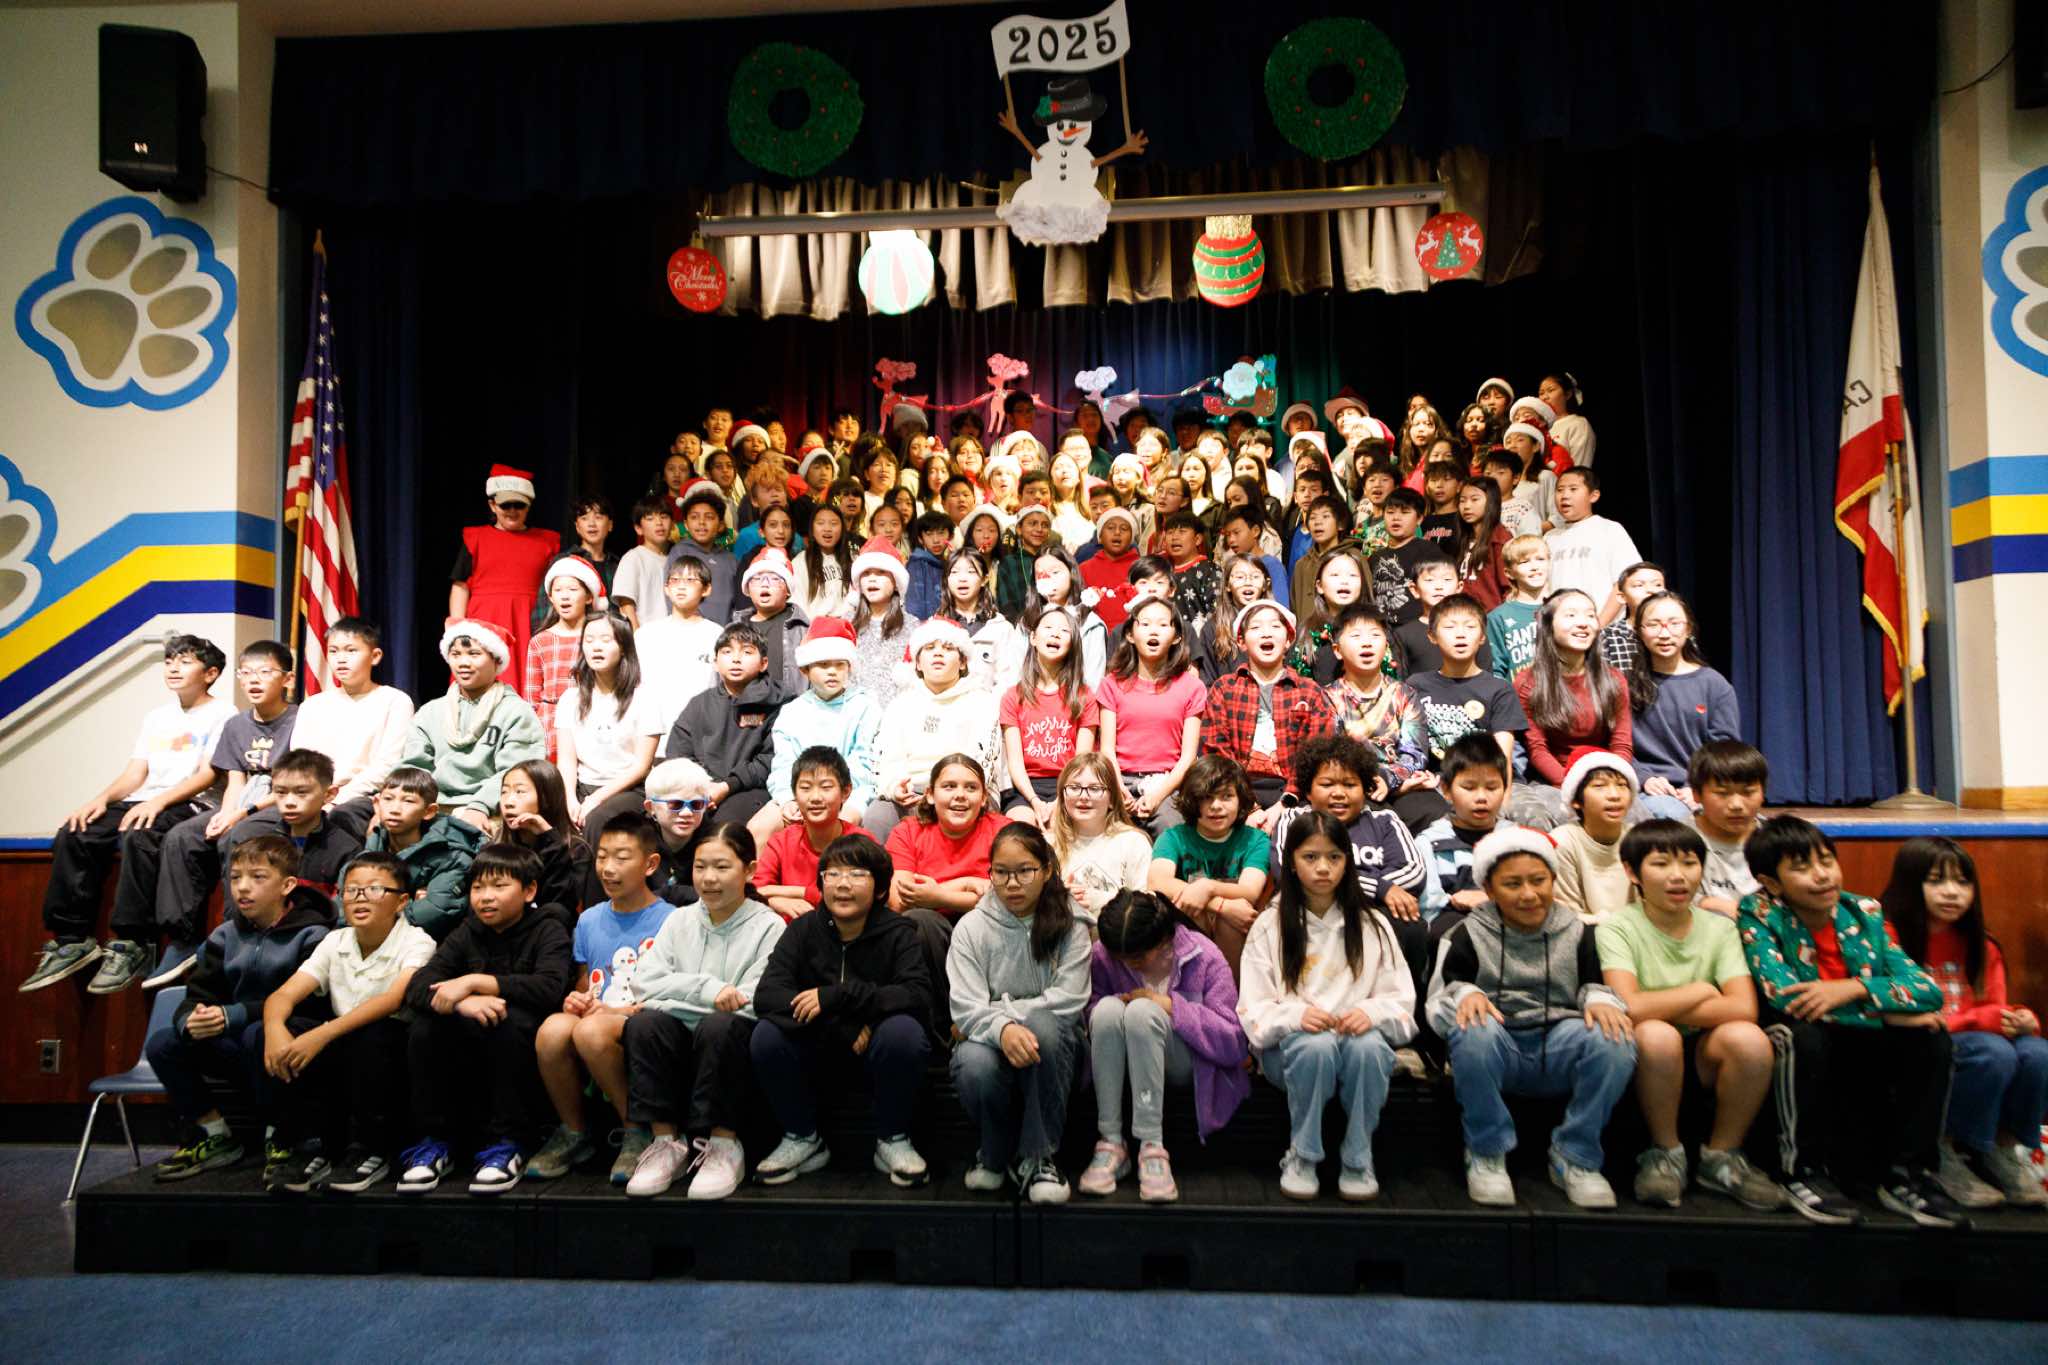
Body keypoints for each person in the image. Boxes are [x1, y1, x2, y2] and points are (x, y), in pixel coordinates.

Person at [1736, 816, 1965, 1227]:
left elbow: (1927, 990)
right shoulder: (1759, 912)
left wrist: (1855, 989)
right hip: (1801, 1033)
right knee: (1803, 1037)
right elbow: (1786, 995)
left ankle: (1907, 1174)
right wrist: (1885, 1011)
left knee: (1932, 1038)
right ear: (1771, 882)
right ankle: (1799, 1170)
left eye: (1827, 861)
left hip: (1857, 1030)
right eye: (1802, 867)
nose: (1822, 875)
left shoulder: (1864, 911)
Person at [1428, 827, 1637, 1209]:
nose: (1528, 894)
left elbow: (1593, 985)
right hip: (1499, 1043)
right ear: (1490, 890)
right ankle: (1486, 1152)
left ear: (1553, 880)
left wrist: (1600, 1000)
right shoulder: (1465, 934)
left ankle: (1576, 1155)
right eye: (1513, 884)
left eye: (1538, 881)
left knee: (1614, 1036)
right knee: (1473, 1029)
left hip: (1559, 1040)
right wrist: (1466, 995)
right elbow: (1438, 1002)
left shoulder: (1578, 930)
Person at [23, 634, 234, 994]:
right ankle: (72, 939)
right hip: (147, 798)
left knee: (141, 833)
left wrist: (159, 802)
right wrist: (100, 799)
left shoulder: (223, 713)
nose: (174, 668)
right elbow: (136, 773)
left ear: (210, 674)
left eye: (185, 662)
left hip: (192, 802)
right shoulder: (157, 717)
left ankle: (131, 942)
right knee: (77, 830)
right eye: (169, 661)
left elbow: (207, 775)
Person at [1597, 820, 1786, 1210]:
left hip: (1704, 1049)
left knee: (1749, 1039)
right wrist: (1699, 991)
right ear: (1632, 872)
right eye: (1661, 864)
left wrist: (1661, 1003)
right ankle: (1665, 1154)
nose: (1678, 876)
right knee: (1656, 1034)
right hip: (1646, 1050)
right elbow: (1629, 1007)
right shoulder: (1617, 927)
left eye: (1689, 863)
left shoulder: (1720, 929)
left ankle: (1722, 1158)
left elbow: (1743, 1008)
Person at [1238, 812, 1413, 1201]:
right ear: (1291, 862)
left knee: (1370, 1047)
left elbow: (1400, 999)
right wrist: (1294, 1016)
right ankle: (1303, 1154)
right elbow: (1253, 1008)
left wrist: (1372, 1013)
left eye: (1334, 857)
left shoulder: (1372, 924)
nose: (1323, 868)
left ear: (1347, 862)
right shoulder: (1270, 924)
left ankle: (1358, 1154)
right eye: (1310, 857)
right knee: (1315, 1047)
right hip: (1291, 1051)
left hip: (1354, 1044)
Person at [750, 834, 934, 1188]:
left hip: (877, 1051)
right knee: (767, 1034)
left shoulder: (899, 932)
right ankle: (802, 1137)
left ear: (880, 889)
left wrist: (837, 997)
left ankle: (893, 1138)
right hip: (818, 1048)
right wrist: (840, 1025)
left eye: (857, 874)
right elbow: (768, 995)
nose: (843, 884)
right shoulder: (803, 929)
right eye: (832, 874)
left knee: (904, 1032)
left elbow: (916, 994)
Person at [145, 834, 332, 1183]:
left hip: (294, 1039)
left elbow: (310, 1003)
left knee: (257, 1035)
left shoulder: (314, 934)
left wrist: (234, 1015)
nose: (243, 887)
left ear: (287, 885)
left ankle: (282, 1136)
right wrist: (192, 1019)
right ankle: (214, 1133)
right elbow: (198, 993)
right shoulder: (224, 935)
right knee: (164, 1043)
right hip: (237, 1038)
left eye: (258, 877)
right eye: (235, 878)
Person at [619, 824, 788, 1199]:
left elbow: (753, 1000)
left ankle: (724, 1145)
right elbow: (644, 982)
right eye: (700, 867)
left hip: (733, 1040)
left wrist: (677, 999)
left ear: (749, 870)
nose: (709, 878)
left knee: (721, 1025)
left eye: (722, 867)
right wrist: (710, 991)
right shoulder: (679, 920)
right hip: (681, 1036)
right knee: (645, 1023)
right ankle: (666, 1143)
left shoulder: (769, 926)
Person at [1883, 837, 2048, 1208]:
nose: (1952, 892)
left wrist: (2022, 1020)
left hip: (1977, 1041)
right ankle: (1944, 1150)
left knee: (2038, 1053)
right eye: (1936, 881)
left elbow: (1995, 1009)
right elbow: (1896, 1008)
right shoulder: (1888, 939)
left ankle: (2001, 1150)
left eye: (1962, 882)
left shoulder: (1981, 945)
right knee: (1993, 1053)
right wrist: (1982, 1020)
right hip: (1919, 1044)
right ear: (1910, 884)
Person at [260, 850, 437, 1193]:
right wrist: (274, 1030)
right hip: (342, 1038)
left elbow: (392, 1000)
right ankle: (314, 1146)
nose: (360, 898)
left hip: (393, 1047)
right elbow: (283, 996)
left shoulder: (418, 941)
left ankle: (371, 1150)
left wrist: (322, 1034)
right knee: (289, 1032)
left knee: (372, 1035)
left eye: (374, 889)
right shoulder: (335, 940)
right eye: (352, 890)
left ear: (401, 901)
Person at [529, 813, 679, 1184]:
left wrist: (615, 1010)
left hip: (647, 1018)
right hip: (600, 1013)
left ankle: (636, 1130)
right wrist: (577, 1001)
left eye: (622, 858)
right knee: (552, 1030)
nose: (608, 868)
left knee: (590, 1032)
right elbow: (587, 983)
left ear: (650, 864)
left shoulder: (673, 919)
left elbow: (675, 992)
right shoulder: (589, 920)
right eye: (602, 857)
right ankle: (574, 1131)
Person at [948, 825, 1091, 1203]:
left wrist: (1003, 1015)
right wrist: (1002, 1029)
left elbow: (1068, 999)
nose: (1012, 883)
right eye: (1001, 872)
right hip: (990, 1041)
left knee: (1044, 1025)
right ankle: (995, 1153)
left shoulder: (1071, 923)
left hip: (1058, 1045)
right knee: (974, 1062)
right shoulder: (971, 928)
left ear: (1046, 870)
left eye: (1025, 871)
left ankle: (1040, 1155)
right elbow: (965, 1007)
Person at [143, 640, 298, 989]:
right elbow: (235, 779)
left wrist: (239, 815)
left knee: (237, 836)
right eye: (247, 673)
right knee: (182, 836)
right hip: (244, 798)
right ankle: (182, 940)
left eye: (265, 672)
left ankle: (236, 930)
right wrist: (227, 812)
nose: (254, 680)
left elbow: (295, 784)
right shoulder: (237, 725)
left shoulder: (299, 720)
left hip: (279, 800)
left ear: (287, 679)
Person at [1081, 890, 1248, 1201]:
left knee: (1143, 1013)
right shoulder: (1104, 955)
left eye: (1137, 958)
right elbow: (1088, 1015)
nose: (1128, 964)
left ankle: (1152, 1146)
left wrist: (1171, 1007)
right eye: (1120, 958)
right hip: (1121, 1062)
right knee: (1105, 1010)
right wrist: (1116, 1004)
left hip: (1184, 1062)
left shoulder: (1204, 955)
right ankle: (1111, 1140)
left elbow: (1234, 1041)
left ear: (1163, 940)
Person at [886, 756, 1011, 1017]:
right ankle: (945, 1025)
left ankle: (992, 1015)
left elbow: (1015, 895)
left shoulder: (1003, 830)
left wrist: (939, 895)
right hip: (931, 936)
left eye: (971, 788)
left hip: (990, 931)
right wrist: (967, 884)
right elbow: (898, 900)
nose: (960, 795)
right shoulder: (908, 831)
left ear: (984, 798)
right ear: (930, 795)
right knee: (919, 921)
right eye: (949, 786)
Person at [866, 617, 1003, 843]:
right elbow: (887, 758)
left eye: (948, 648)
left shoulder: (982, 702)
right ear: (918, 664)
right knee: (877, 816)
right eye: (929, 648)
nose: (938, 653)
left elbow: (984, 762)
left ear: (963, 662)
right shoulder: (900, 704)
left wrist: (948, 793)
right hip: (911, 795)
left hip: (964, 794)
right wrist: (894, 787)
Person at [277, 616, 415, 837]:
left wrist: (336, 799)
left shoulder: (395, 701)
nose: (341, 659)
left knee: (337, 821)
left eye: (351, 651)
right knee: (252, 828)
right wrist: (314, 797)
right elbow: (301, 761)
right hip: (313, 795)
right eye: (333, 651)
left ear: (375, 656)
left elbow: (389, 765)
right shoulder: (312, 705)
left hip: (366, 796)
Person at [402, 620, 546, 829]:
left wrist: (480, 806)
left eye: (474, 654)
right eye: (456, 654)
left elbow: (518, 771)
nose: (463, 662)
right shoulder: (430, 712)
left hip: (491, 810)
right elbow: (413, 767)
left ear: (496, 660)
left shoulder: (516, 712)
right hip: (432, 807)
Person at [1199, 599, 1336, 818]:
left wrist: (1285, 804)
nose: (1266, 633)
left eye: (1275, 626)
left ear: (1289, 639)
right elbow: (1217, 753)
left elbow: (1316, 755)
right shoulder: (1223, 689)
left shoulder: (1309, 692)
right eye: (1256, 627)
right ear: (1241, 642)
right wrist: (1249, 807)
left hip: (1294, 794)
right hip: (1236, 792)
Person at [753, 617, 879, 849]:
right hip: (801, 792)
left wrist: (836, 795)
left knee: (841, 824)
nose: (832, 672)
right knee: (759, 828)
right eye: (823, 664)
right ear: (805, 670)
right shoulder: (792, 711)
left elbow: (864, 761)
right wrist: (788, 799)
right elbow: (784, 762)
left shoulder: (865, 706)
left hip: (848, 792)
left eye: (839, 664)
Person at [1514, 590, 1633, 825]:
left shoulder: (1614, 680)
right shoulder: (1528, 682)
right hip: (1553, 781)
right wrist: (1575, 787)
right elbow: (1537, 749)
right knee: (1565, 817)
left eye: (1590, 615)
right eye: (1571, 615)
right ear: (1548, 625)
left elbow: (1621, 744)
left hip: (1607, 777)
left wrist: (1610, 783)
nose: (1583, 623)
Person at [1148, 756, 1271, 975]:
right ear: (1192, 800)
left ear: (1241, 799)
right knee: (1194, 907)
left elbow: (1250, 891)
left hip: (1237, 930)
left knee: (1232, 917)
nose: (1216, 806)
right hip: (1189, 924)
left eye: (1226, 797)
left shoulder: (1255, 839)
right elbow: (1158, 882)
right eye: (1207, 797)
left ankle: (1230, 993)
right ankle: (1192, 989)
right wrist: (1220, 905)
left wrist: (1208, 887)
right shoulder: (1173, 837)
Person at [1097, 594, 1206, 836]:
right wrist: (1119, 789)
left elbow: (1188, 757)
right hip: (1119, 780)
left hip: (1169, 784)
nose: (1153, 630)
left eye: (1163, 624)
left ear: (1177, 636)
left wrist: (1158, 795)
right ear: (1130, 634)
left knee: (1171, 829)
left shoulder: (1192, 687)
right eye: (1145, 624)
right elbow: (1107, 750)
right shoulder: (1111, 684)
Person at [1325, 603, 1438, 832]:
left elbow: (1415, 753)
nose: (1367, 643)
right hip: (1353, 785)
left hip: (1399, 779)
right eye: (1356, 636)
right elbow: (1332, 755)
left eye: (1375, 635)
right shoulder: (1327, 697)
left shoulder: (1404, 694)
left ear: (1386, 646)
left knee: (1434, 812)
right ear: (1337, 650)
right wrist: (1373, 781)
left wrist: (1389, 780)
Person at [450, 465, 561, 697]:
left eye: (518, 505)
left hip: (529, 621)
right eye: (505, 505)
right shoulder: (475, 538)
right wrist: (458, 629)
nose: (512, 511)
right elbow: (460, 586)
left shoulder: (547, 542)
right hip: (484, 621)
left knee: (527, 681)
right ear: (492, 505)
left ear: (528, 505)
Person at [666, 623, 788, 831]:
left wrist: (726, 786)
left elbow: (772, 759)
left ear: (763, 663)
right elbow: (678, 753)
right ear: (715, 662)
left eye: (747, 652)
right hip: (700, 789)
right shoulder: (700, 703)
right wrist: (702, 786)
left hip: (751, 789)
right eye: (727, 651)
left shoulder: (778, 702)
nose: (736, 659)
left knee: (722, 827)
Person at [1629, 591, 1739, 820]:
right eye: (1654, 625)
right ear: (1639, 631)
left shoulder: (1713, 684)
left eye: (1674, 624)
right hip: (1650, 789)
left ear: (1688, 629)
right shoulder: (1626, 685)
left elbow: (1723, 749)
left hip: (1704, 786)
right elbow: (1617, 745)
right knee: (1673, 815)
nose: (1664, 633)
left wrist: (1697, 786)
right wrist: (1645, 778)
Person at [555, 612, 662, 841]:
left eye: (606, 640)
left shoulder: (644, 699)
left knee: (595, 820)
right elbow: (566, 760)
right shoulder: (569, 699)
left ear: (623, 647)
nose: (596, 647)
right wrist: (569, 799)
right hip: (582, 786)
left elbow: (641, 767)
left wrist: (596, 799)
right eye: (589, 640)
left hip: (628, 789)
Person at [359, 765, 486, 939]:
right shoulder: (375, 843)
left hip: (431, 941)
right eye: (388, 798)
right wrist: (407, 903)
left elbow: (435, 912)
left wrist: (371, 907)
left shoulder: (451, 853)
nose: (395, 809)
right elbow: (344, 903)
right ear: (376, 804)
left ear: (429, 811)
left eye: (408, 801)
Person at [1001, 603, 1099, 827]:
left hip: (1071, 785)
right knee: (1021, 828)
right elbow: (1015, 762)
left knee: (1059, 828)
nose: (1055, 633)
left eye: (1064, 630)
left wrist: (1060, 800)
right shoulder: (1012, 696)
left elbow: (1081, 761)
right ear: (1033, 638)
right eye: (1048, 628)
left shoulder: (1084, 696)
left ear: (1073, 643)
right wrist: (1034, 801)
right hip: (1025, 788)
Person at [756, 747, 879, 919]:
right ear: (794, 793)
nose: (815, 797)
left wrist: (804, 892)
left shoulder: (862, 843)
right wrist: (776, 902)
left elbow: (865, 897)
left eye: (826, 787)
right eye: (805, 788)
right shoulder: (781, 842)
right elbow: (755, 891)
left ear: (845, 792)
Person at [1406, 594, 1524, 773]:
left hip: (1486, 779)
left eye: (1470, 627)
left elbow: (1503, 759)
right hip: (1434, 780)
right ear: (1432, 636)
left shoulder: (1499, 690)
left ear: (1483, 636)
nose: (1460, 634)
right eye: (1449, 627)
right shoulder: (1416, 685)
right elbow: (1409, 747)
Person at [1414, 734, 1510, 938]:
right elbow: (1429, 907)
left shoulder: (1517, 839)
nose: (1481, 797)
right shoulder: (1429, 842)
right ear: (1446, 790)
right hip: (1455, 929)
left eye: (1492, 787)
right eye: (1469, 787)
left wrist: (1490, 899)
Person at [635, 554, 723, 746]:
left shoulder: (716, 634)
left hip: (701, 736)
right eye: (675, 580)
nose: (681, 586)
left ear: (706, 589)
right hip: (653, 736)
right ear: (666, 588)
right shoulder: (646, 634)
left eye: (690, 580)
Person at [1550, 748, 1639, 925]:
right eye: (1599, 786)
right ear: (1576, 800)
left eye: (1622, 785)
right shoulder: (1562, 842)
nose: (1615, 795)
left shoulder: (1638, 839)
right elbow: (1566, 915)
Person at [524, 557, 600, 758]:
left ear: (588, 597)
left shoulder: (597, 638)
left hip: (589, 716)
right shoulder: (540, 641)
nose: (565, 596)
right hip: (550, 723)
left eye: (573, 589)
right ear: (550, 597)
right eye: (558, 590)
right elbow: (531, 698)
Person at [1543, 469, 1641, 625]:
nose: (1565, 495)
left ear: (1593, 496)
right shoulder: (1550, 537)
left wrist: (1600, 625)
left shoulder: (1610, 529)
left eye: (1573, 489)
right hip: (1559, 629)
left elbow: (1624, 581)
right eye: (1560, 490)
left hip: (1603, 627)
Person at [499, 759, 596, 915]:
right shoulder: (496, 847)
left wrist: (550, 839)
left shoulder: (576, 850)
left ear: (546, 798)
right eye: (504, 792)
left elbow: (559, 908)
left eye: (520, 792)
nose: (508, 802)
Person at [1689, 740, 1768, 918]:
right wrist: (1705, 903)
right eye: (1722, 793)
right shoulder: (1677, 841)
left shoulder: (1777, 841)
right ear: (1696, 794)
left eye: (1748, 792)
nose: (1736, 805)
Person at [935, 547, 1024, 697]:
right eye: (955, 572)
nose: (962, 579)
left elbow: (1009, 680)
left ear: (984, 579)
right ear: (946, 580)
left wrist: (988, 707)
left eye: (971, 572)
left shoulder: (1001, 629)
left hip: (989, 707)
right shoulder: (935, 627)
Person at [846, 536, 919, 712]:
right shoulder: (846, 624)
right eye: (866, 573)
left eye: (880, 573)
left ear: (896, 582)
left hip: (898, 715)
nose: (872, 579)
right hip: (855, 715)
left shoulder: (913, 626)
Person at [664, 481, 740, 626]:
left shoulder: (730, 559)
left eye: (709, 517)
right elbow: (672, 596)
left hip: (725, 632)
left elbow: (737, 601)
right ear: (686, 524)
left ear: (721, 525)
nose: (701, 522)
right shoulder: (680, 552)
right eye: (694, 517)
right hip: (690, 629)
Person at [1484, 536, 1550, 682]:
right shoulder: (1498, 618)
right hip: (1516, 694)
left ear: (1550, 563)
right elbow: (1495, 671)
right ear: (1509, 573)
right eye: (1524, 562)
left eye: (1540, 559)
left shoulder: (1563, 610)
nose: (1534, 567)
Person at [1389, 552, 1465, 674]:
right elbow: (1400, 677)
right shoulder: (1403, 634)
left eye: (1447, 579)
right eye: (1430, 580)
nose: (1439, 586)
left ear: (1459, 587)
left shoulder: (1470, 629)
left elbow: (1485, 675)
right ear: (1414, 589)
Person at [611, 495, 674, 629]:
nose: (659, 522)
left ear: (672, 524)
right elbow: (626, 604)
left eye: (664, 517)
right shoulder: (633, 558)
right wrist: (636, 634)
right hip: (646, 635)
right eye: (650, 518)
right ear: (638, 529)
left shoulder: (677, 556)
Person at [1596, 562, 1666, 673]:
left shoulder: (1676, 631)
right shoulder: (1607, 637)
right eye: (1639, 585)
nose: (1651, 590)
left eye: (1658, 585)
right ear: (1622, 597)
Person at [1537, 373, 1595, 468]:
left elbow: (1580, 467)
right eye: (1541, 393)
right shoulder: (1539, 427)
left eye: (1550, 390)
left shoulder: (1578, 424)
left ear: (1567, 394)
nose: (1544, 397)